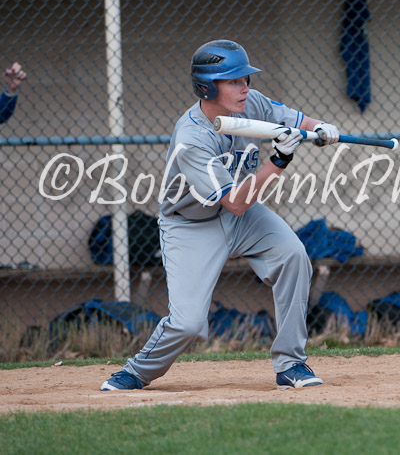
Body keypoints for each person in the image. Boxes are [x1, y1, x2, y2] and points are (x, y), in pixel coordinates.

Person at [101, 40, 340, 391]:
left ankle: (291, 364)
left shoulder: (252, 103)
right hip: (190, 225)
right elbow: (236, 202)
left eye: (245, 79)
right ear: (207, 86)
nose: (245, 87)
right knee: (188, 324)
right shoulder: (192, 137)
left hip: (240, 218)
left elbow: (300, 120)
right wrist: (279, 161)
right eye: (234, 81)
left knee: (293, 256)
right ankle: (138, 371)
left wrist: (323, 128)